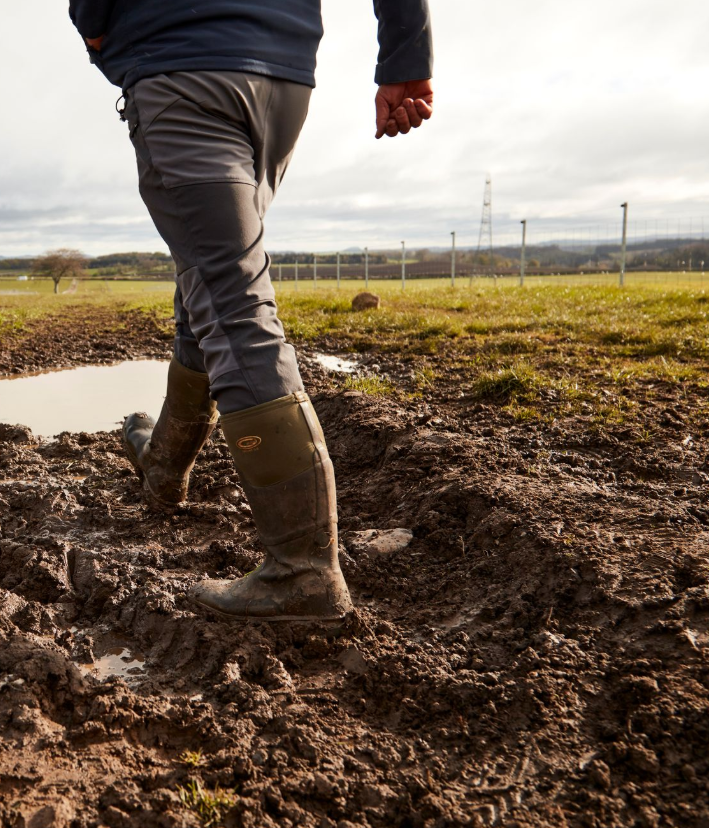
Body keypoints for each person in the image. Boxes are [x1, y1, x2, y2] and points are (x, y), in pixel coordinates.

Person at [70, 0, 434, 621]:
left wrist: (95, 22)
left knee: (232, 303)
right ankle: (164, 465)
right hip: (282, 79)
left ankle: (304, 571)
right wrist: (405, 57)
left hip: (183, 69)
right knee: (208, 278)